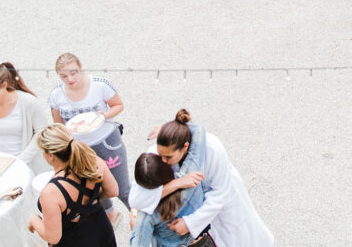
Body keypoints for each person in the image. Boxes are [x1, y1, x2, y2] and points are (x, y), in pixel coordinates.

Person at [129, 110, 274, 247]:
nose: (163, 161)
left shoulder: (211, 148)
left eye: (168, 157)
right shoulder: (159, 154)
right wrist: (175, 184)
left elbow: (221, 193)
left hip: (223, 212)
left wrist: (190, 223)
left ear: (185, 147)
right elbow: (136, 199)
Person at [48, 53, 130, 220]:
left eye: (73, 73)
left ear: (81, 69)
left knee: (122, 188)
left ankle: (140, 216)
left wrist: (104, 115)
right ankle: (110, 215)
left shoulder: (99, 85)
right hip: (80, 147)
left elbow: (118, 105)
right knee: (94, 186)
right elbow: (59, 124)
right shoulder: (56, 95)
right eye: (64, 75)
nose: (70, 78)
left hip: (106, 140)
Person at [27, 124, 119, 247]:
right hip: (101, 231)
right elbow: (113, 191)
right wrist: (89, 201)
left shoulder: (51, 192)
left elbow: (53, 237)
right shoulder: (93, 162)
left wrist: (34, 220)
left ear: (50, 156)